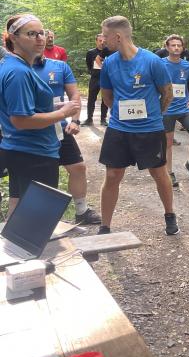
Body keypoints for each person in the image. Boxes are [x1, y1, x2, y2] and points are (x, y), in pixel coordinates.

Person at [97, 16, 177, 236]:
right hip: (119, 129)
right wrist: (122, 116)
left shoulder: (152, 61)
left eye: (105, 35)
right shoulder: (109, 63)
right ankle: (105, 226)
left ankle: (169, 214)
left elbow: (167, 93)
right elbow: (107, 97)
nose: (103, 40)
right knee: (112, 175)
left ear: (118, 36)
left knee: (159, 173)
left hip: (150, 129)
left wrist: (155, 114)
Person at [0, 14, 80, 215]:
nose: (39, 38)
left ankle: (11, 246)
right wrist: (62, 112)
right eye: (31, 34)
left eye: (41, 33)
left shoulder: (15, 66)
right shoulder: (18, 72)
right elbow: (20, 120)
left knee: (18, 207)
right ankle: (28, 247)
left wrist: (50, 110)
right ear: (14, 38)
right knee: (37, 217)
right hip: (33, 153)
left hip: (21, 150)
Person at [32, 54, 102, 225]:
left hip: (58, 127)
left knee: (78, 167)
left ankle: (82, 210)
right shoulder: (17, 67)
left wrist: (75, 121)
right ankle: (41, 219)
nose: (39, 40)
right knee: (43, 175)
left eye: (41, 35)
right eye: (34, 36)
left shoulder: (60, 66)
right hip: (31, 129)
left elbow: (74, 95)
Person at [161, 35, 189, 186]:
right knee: (168, 143)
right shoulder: (160, 64)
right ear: (167, 47)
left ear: (183, 48)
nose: (176, 48)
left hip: (184, 108)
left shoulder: (187, 65)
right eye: (173, 45)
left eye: (179, 45)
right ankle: (169, 172)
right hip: (166, 110)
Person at [84, 33, 111, 126]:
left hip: (106, 79)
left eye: (103, 41)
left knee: (105, 99)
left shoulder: (109, 51)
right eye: (100, 41)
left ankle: (103, 119)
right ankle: (89, 119)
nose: (102, 43)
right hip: (95, 78)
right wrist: (92, 72)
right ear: (96, 41)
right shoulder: (91, 52)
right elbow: (88, 64)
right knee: (91, 99)